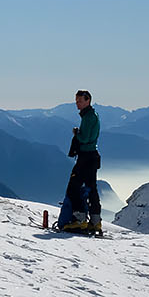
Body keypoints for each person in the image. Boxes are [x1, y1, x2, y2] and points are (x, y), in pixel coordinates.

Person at [61, 89, 102, 233]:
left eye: (79, 101)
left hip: (85, 156)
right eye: (76, 101)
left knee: (74, 186)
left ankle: (80, 220)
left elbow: (84, 138)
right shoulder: (94, 115)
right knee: (92, 188)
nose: (77, 104)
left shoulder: (88, 117)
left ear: (87, 100)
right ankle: (96, 222)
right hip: (93, 156)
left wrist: (76, 133)